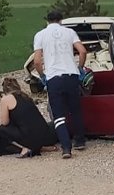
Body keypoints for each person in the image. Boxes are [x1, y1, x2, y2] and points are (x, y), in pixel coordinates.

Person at [33, 11, 89, 159]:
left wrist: (42, 76)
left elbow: (37, 61)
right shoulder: (69, 32)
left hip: (54, 78)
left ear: (47, 21)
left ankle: (66, 148)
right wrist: (80, 68)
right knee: (75, 109)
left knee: (58, 115)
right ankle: (80, 140)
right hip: (71, 75)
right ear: (61, 20)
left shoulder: (40, 35)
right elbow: (82, 51)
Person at [0, 77, 58, 158]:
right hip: (44, 134)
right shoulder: (25, 96)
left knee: (1, 130)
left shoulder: (6, 99)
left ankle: (22, 149)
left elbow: (5, 122)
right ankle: (40, 147)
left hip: (30, 137)